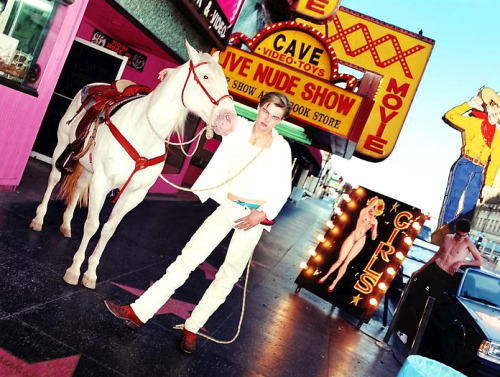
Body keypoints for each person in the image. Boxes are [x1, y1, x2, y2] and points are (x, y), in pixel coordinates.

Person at [104, 92, 293, 354]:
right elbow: (215, 117)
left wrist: (262, 214)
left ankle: (193, 327)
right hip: (228, 206)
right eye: (265, 112)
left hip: (254, 218)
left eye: (275, 117)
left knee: (227, 276)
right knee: (186, 260)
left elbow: (284, 187)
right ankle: (139, 312)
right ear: (259, 108)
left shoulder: (281, 147)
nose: (267, 120)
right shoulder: (238, 129)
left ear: (280, 121)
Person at [396, 218, 482, 346]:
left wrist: (461, 262)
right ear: (455, 230)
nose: (461, 238)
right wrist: (419, 270)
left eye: (464, 235)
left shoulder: (468, 243)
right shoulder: (447, 237)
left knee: (427, 304)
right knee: (414, 294)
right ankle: (400, 326)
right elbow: (437, 255)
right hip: (434, 268)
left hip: (444, 275)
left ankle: (411, 334)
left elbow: (479, 262)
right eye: (459, 235)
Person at [438, 88, 500, 227]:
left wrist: (488, 183)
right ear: (488, 108)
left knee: (469, 209)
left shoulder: (498, 137)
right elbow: (450, 116)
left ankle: (457, 235)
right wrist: (468, 105)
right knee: (453, 199)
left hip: (479, 171)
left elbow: (495, 161)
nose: (497, 112)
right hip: (465, 163)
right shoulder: (474, 123)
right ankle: (442, 232)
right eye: (495, 107)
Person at [318, 196, 384, 292]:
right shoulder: (364, 212)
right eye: (372, 206)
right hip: (353, 236)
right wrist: (374, 202)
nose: (372, 209)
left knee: (346, 262)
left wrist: (375, 225)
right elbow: (367, 209)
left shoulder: (375, 221)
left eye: (375, 208)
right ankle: (326, 276)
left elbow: (374, 237)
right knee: (340, 260)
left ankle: (334, 283)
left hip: (361, 239)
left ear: (378, 210)